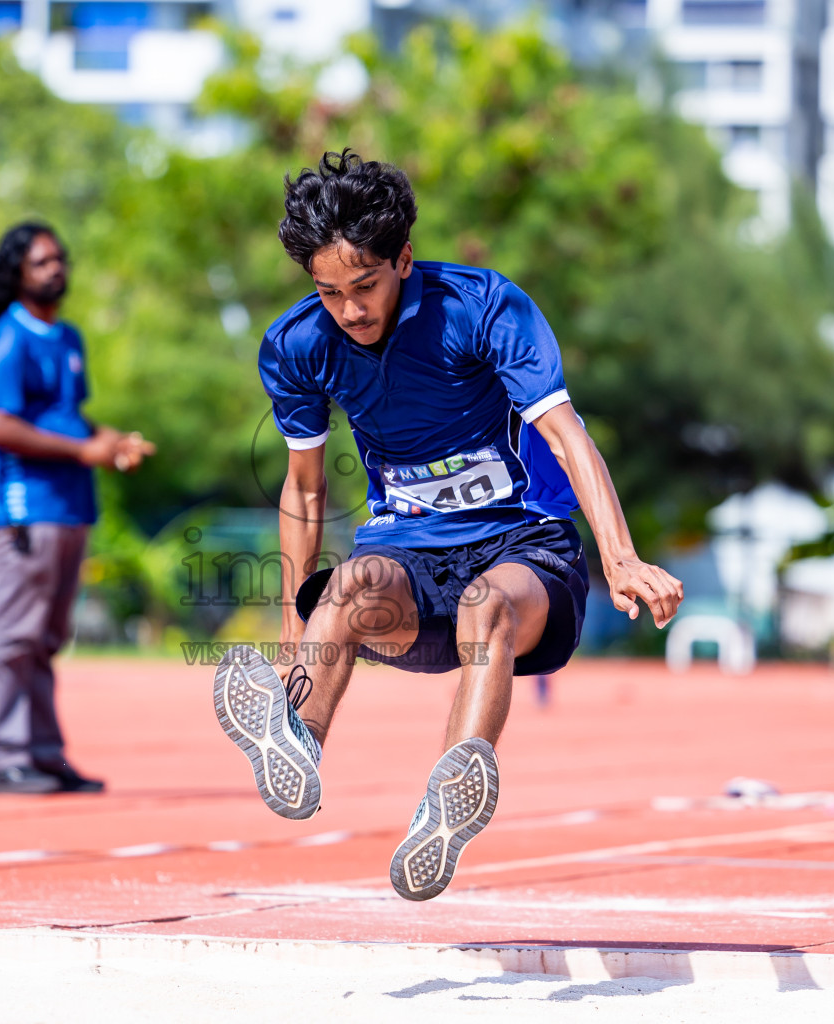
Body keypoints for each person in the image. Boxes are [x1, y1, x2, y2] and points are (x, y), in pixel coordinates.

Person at [212, 152, 682, 900]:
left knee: (484, 606)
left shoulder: (483, 307)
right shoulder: (300, 345)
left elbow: (565, 432)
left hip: (525, 547)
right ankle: (295, 740)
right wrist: (290, 644)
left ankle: (446, 804)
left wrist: (620, 558)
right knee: (350, 585)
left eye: (365, 286)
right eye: (329, 292)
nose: (351, 311)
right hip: (408, 553)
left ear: (404, 257)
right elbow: (303, 493)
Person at [0, 221, 153, 795]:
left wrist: (112, 442)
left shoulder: (68, 337)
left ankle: (43, 753)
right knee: (11, 636)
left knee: (46, 638)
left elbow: (69, 418)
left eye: (60, 258)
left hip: (72, 507)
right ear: (16, 275)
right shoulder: (8, 338)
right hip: (27, 508)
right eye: (41, 262)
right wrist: (84, 450)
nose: (57, 269)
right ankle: (2, 757)